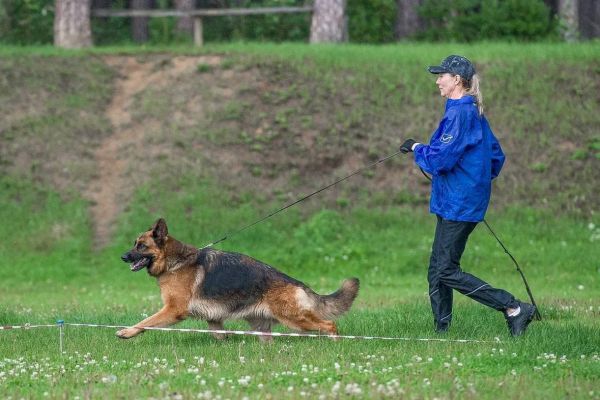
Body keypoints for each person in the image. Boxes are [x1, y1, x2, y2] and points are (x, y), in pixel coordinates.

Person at [399, 55, 536, 337]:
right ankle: (442, 331)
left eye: (442, 76)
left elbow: (439, 162)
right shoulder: (470, 111)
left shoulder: (461, 113)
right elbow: (496, 156)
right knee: (437, 269)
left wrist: (416, 148)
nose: (437, 81)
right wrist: (476, 182)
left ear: (457, 80)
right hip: (457, 201)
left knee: (446, 270)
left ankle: (513, 308)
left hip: (458, 204)